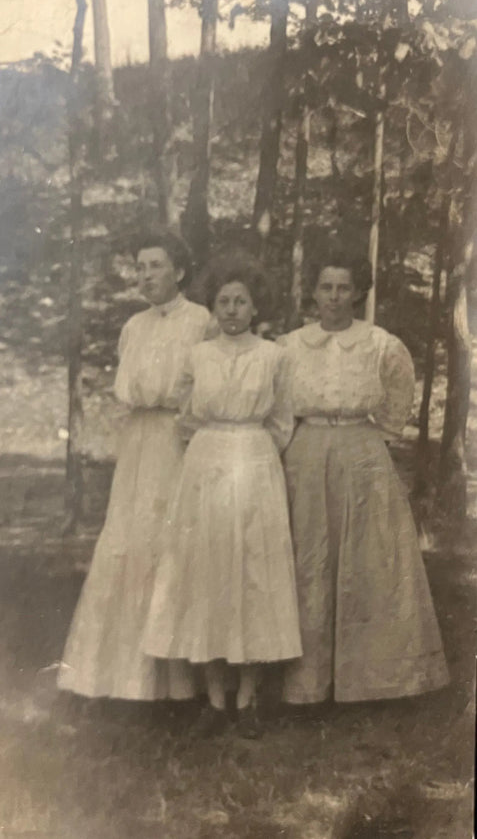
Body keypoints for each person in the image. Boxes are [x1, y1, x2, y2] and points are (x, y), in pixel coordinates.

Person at [143, 248, 302, 737]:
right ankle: (214, 692)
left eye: (241, 301)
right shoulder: (198, 356)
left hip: (255, 462)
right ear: (214, 306)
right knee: (208, 567)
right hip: (207, 464)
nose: (232, 309)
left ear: (256, 309)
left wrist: (250, 448)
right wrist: (213, 447)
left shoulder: (275, 356)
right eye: (224, 301)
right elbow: (187, 418)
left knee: (253, 566)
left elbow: (282, 421)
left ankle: (249, 690)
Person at [278, 257, 450, 706]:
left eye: (343, 287)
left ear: (358, 293)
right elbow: (277, 405)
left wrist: (379, 437)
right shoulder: (291, 346)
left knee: (368, 558)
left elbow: (397, 395)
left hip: (362, 449)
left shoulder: (379, 344)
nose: (334, 297)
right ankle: (306, 682)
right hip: (307, 448)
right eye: (325, 287)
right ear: (313, 293)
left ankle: (372, 680)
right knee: (310, 555)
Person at [58, 228, 212, 702]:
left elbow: (207, 387)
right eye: (140, 267)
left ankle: (180, 685)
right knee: (127, 542)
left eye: (156, 266)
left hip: (179, 440)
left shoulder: (201, 321)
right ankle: (120, 676)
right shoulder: (134, 327)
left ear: (179, 271)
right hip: (139, 443)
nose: (146, 276)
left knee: (171, 547)